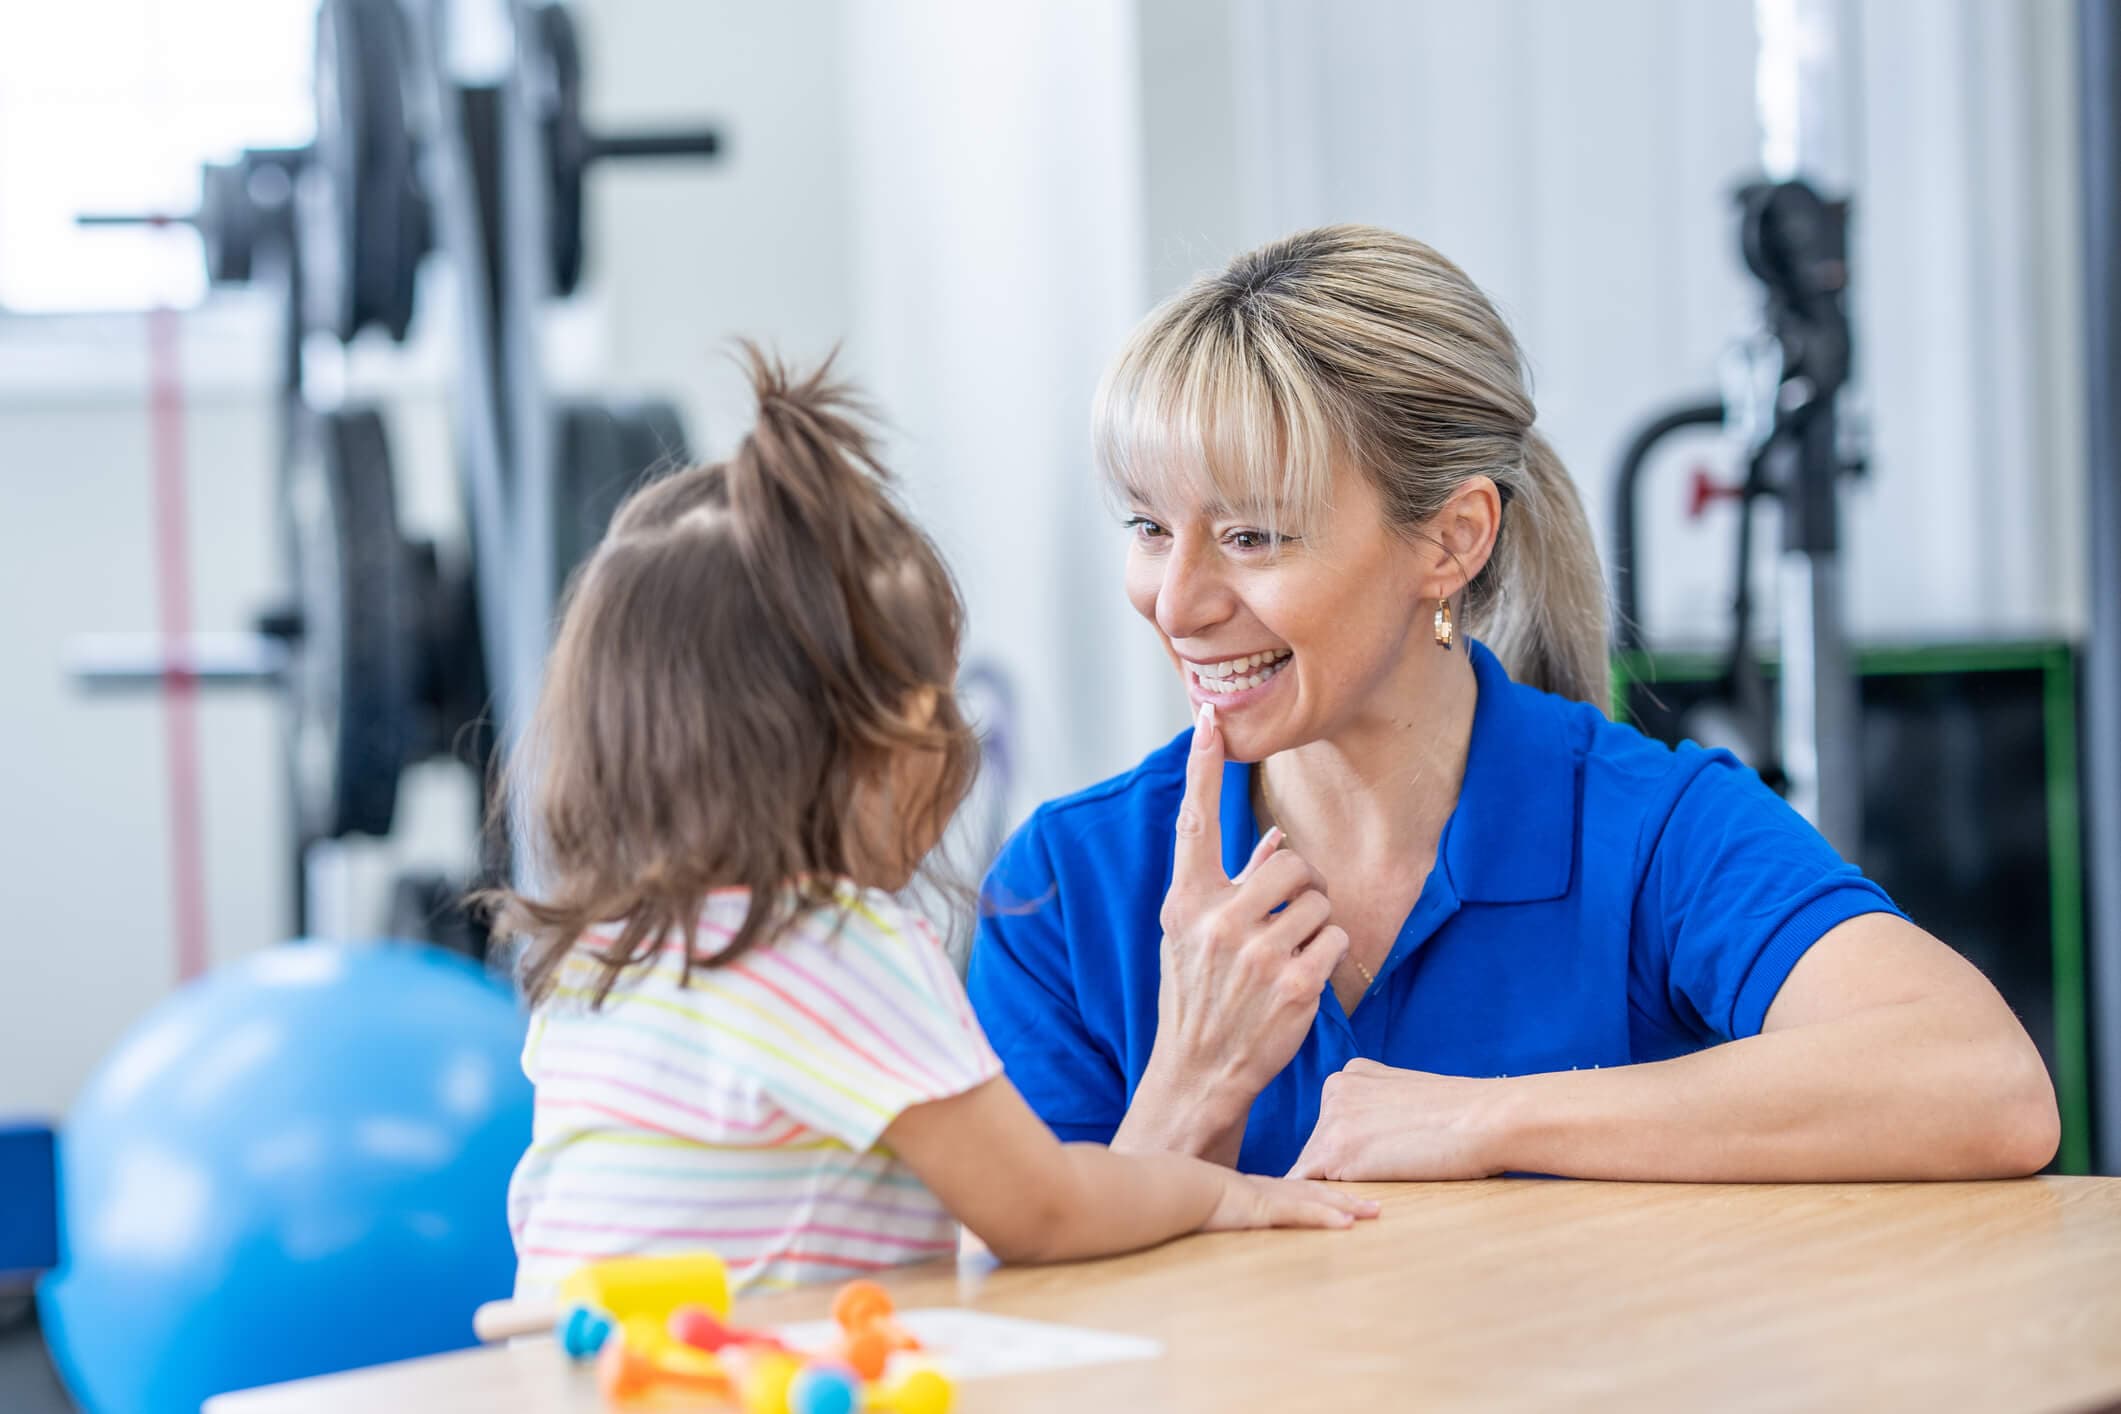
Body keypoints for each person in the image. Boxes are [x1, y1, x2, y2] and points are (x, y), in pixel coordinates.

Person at [967, 225, 2061, 1183]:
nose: (1179, 600)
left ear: (1452, 539)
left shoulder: (1646, 830)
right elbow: (1026, 1338)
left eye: (1253, 535)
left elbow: (1983, 1081)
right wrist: (1191, 1090)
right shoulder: (1068, 886)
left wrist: (1486, 1117)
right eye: (1150, 529)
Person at [488, 349, 1375, 1299]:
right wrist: (1210, 1197)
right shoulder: (833, 948)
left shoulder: (601, 952)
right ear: (904, 734)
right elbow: (1039, 1211)